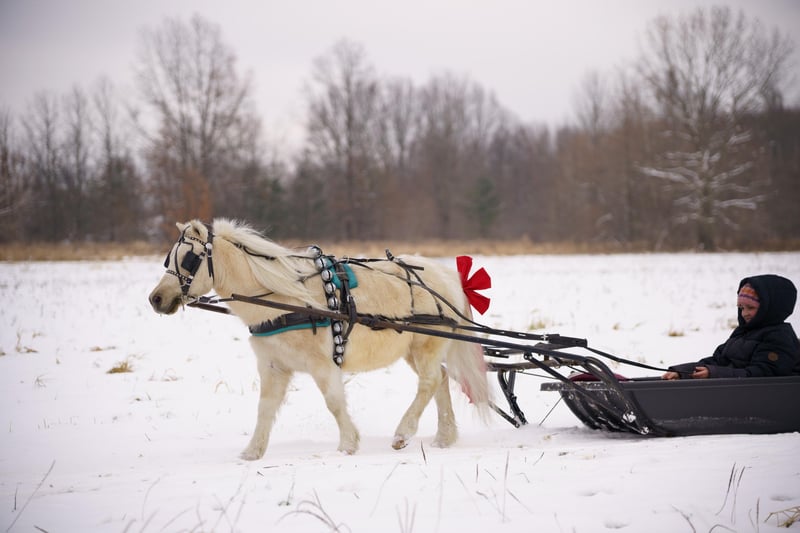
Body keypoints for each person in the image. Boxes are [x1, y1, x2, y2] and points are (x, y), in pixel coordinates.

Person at [662, 274, 800, 379]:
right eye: (741, 308)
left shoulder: (779, 337)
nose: (744, 313)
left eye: (751, 307)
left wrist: (714, 373)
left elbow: (763, 375)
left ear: (770, 308)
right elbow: (718, 361)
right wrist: (682, 372)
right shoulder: (742, 332)